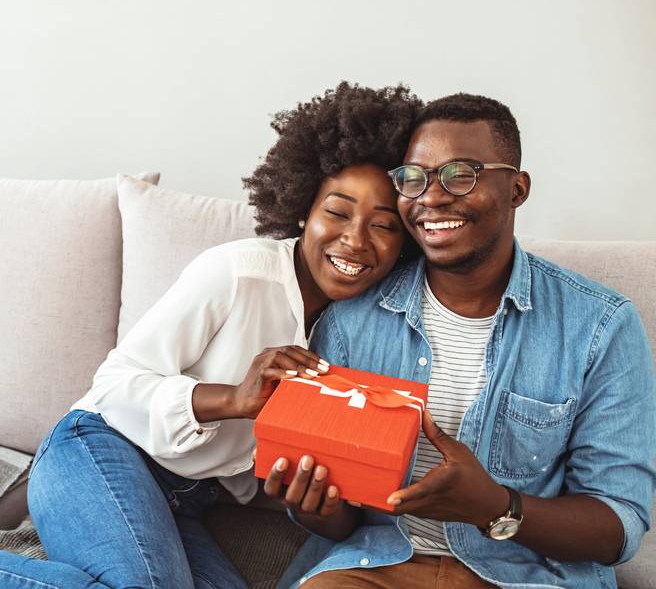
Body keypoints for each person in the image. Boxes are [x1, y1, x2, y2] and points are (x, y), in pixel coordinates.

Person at [0, 82, 423, 589]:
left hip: (184, 501)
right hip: (98, 447)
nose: (356, 240)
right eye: (337, 212)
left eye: (385, 224)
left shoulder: (369, 333)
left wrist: (312, 503)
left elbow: (316, 492)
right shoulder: (238, 273)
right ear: (303, 208)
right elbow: (115, 385)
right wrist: (232, 398)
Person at [265, 93, 656, 589]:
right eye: (414, 178)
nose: (431, 197)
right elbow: (346, 516)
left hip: (523, 574)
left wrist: (496, 507)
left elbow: (618, 524)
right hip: (374, 567)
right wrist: (315, 506)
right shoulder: (351, 322)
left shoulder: (600, 327)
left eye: (460, 175)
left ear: (517, 188)